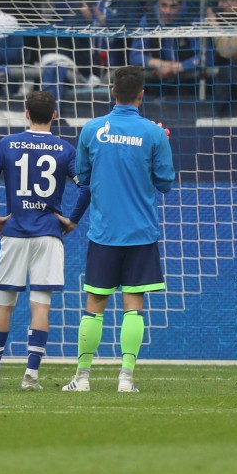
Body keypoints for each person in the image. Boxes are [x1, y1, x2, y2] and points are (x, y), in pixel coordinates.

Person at [62, 66, 175, 394]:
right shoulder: (153, 133)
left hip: (104, 233)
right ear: (141, 95)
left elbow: (81, 176)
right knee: (133, 305)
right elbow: (165, 182)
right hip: (140, 232)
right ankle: (126, 378)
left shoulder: (92, 130)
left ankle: (82, 377)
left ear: (112, 92)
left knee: (94, 305)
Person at [0, 91, 82, 390]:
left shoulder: (8, 144)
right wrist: (72, 219)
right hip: (48, 234)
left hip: (15, 233)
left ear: (26, 114)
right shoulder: (65, 149)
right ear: (55, 115)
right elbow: (85, 186)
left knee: (3, 305)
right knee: (41, 306)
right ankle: (31, 376)